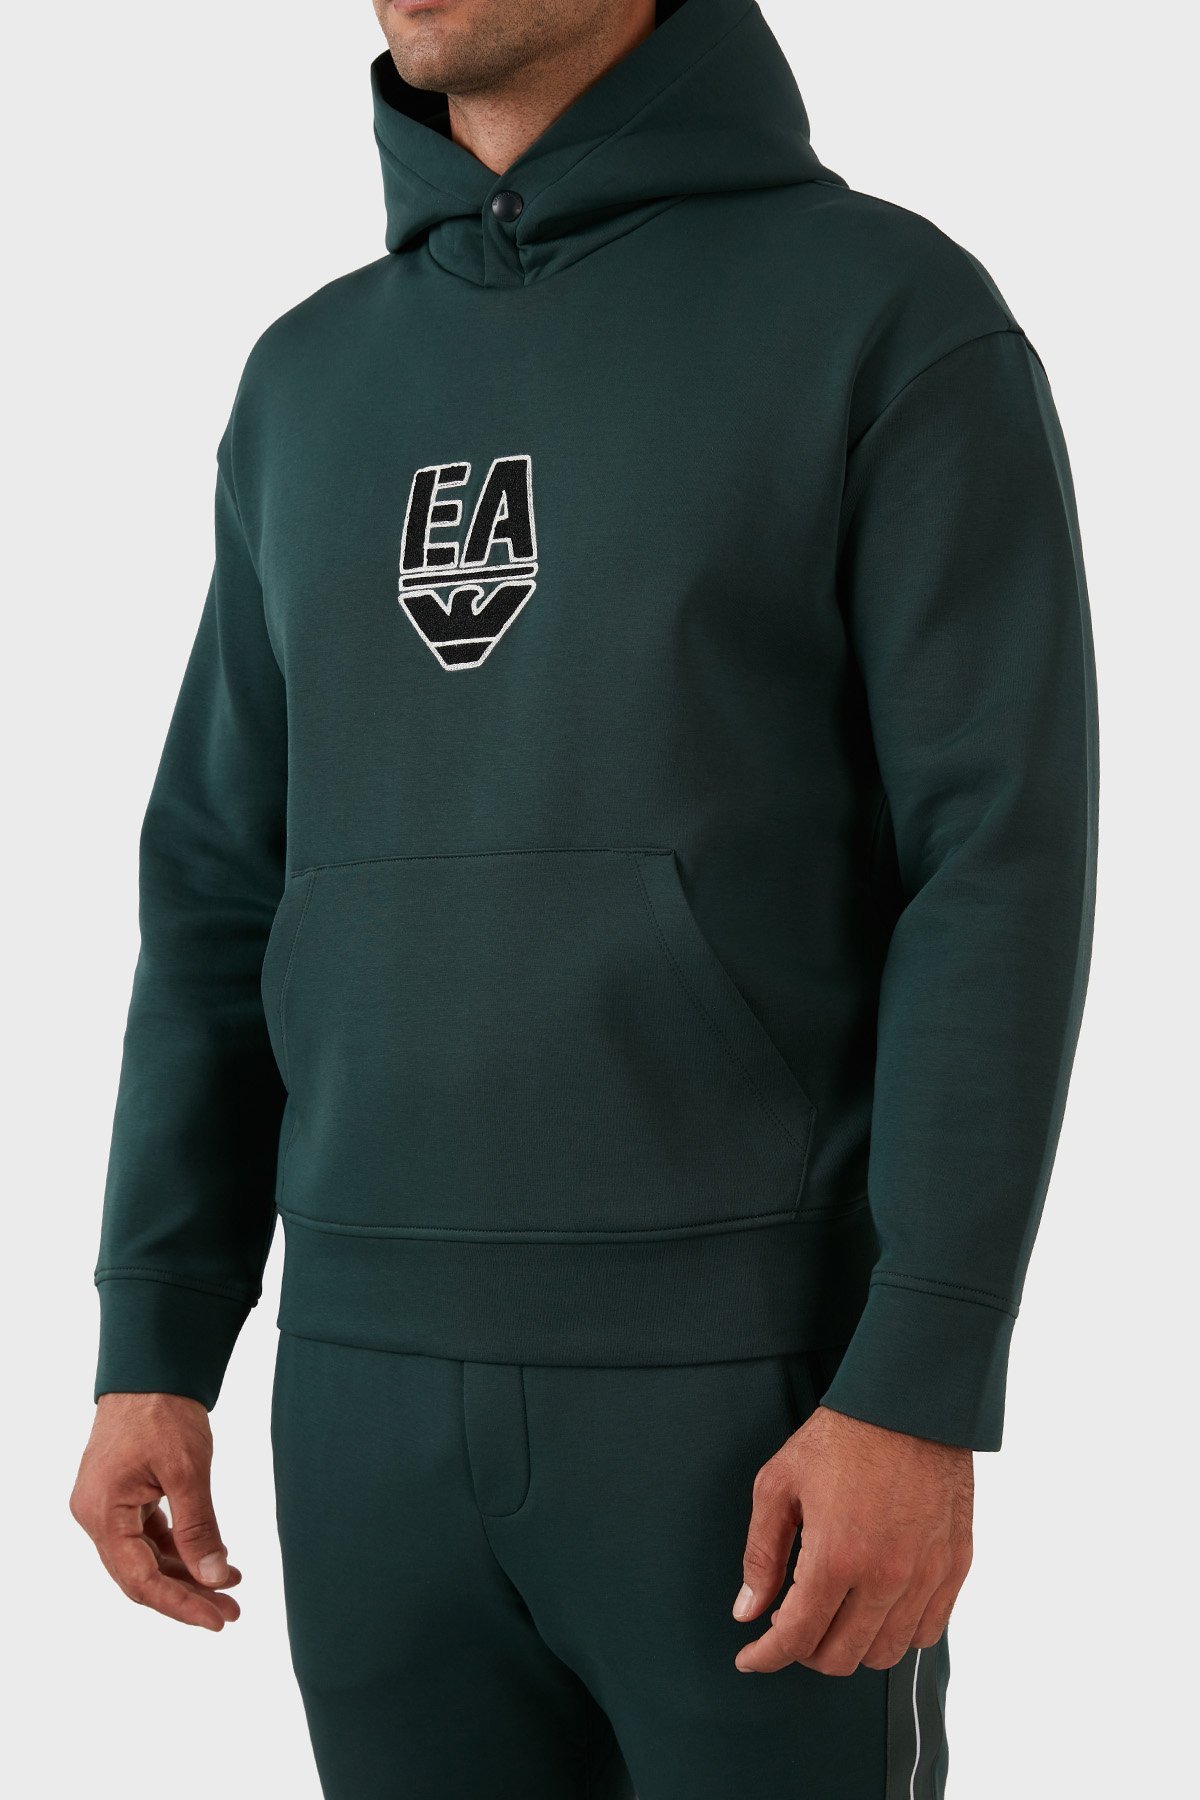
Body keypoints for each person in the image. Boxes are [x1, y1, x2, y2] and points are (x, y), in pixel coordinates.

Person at [69, 0, 1098, 1794]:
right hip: (362, 1392)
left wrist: (922, 1377)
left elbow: (996, 863)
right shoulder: (305, 380)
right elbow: (221, 879)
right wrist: (154, 1336)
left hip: (754, 1397)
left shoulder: (885, 315)